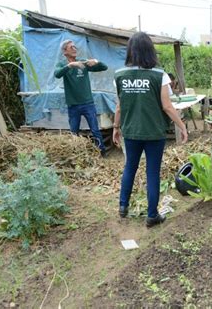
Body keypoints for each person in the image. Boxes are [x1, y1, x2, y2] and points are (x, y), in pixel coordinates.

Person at [112, 32, 188, 228]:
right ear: (150, 51)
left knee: (130, 167)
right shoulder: (159, 75)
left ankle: (123, 207)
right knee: (152, 172)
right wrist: (182, 126)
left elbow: (119, 106)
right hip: (154, 132)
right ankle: (152, 215)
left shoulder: (119, 76)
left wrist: (115, 128)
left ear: (130, 51)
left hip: (130, 131)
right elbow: (167, 106)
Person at [54, 40, 108, 156]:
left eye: (75, 46)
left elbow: (104, 67)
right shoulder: (62, 65)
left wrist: (96, 61)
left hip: (88, 103)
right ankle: (77, 154)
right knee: (74, 132)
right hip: (73, 105)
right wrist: (70, 65)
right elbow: (57, 74)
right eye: (71, 47)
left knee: (95, 130)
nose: (74, 48)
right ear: (65, 51)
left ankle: (102, 153)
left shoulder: (83, 63)